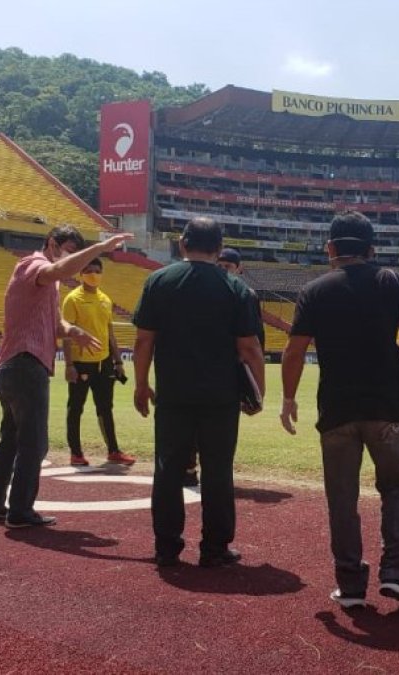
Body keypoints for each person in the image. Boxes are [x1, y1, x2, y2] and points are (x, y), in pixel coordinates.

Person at [280, 210, 399, 609]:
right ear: (372, 249)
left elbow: (294, 351)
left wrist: (288, 398)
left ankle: (349, 584)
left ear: (330, 249)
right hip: (386, 408)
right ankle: (397, 573)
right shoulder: (391, 281)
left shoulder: (314, 290)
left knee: (342, 499)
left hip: (336, 410)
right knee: (396, 488)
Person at [0, 226, 133, 528]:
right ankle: (20, 511)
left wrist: (72, 330)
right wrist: (99, 249)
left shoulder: (45, 283)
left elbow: (51, 322)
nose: (75, 261)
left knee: (10, 440)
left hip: (12, 366)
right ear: (52, 243)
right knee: (33, 443)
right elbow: (58, 268)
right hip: (25, 365)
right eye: (70, 250)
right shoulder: (33, 266)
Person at [132, 217, 265, 567]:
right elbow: (249, 347)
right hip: (220, 397)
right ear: (219, 248)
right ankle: (215, 547)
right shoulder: (234, 287)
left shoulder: (158, 280)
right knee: (218, 470)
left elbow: (144, 339)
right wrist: (258, 394)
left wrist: (141, 383)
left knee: (168, 469)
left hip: (173, 393)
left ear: (181, 243)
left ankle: (167, 546)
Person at [174, 248, 267, 488]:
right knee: (195, 423)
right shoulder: (206, 288)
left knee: (222, 426)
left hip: (230, 368)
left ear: (239, 268)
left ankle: (214, 471)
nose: (224, 269)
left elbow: (255, 336)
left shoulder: (247, 294)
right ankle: (190, 467)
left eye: (229, 266)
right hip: (202, 365)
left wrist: (254, 374)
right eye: (221, 265)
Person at [62, 258, 137, 468]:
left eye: (97, 271)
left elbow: (109, 332)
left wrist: (118, 360)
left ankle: (114, 451)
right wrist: (69, 365)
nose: (93, 274)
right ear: (80, 274)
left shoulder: (105, 299)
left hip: (104, 363)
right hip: (81, 362)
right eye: (88, 271)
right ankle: (76, 453)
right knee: (76, 407)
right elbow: (66, 335)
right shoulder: (73, 299)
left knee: (106, 407)